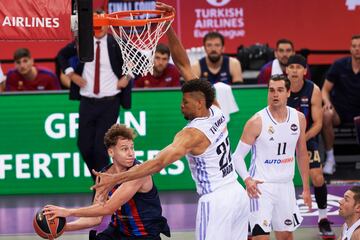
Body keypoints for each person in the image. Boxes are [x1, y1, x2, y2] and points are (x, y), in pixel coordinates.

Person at [91, 4, 250, 240]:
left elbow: (156, 164)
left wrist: (117, 178)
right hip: (237, 193)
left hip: (216, 201)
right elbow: (184, 64)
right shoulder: (215, 108)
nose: (181, 106)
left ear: (198, 104)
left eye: (185, 102)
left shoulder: (192, 134)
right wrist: (168, 27)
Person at [43, 124, 170, 240]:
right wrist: (61, 228)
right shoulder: (104, 176)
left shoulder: (138, 173)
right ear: (111, 152)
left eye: (132, 148)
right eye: (125, 149)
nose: (131, 153)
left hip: (144, 235)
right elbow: (95, 218)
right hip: (118, 233)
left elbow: (109, 208)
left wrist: (69, 212)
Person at [232, 74, 312, 240]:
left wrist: (305, 188)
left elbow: (302, 153)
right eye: (271, 90)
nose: (275, 94)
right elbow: (237, 156)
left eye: (280, 90)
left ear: (288, 92)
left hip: (286, 186)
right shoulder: (256, 121)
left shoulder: (299, 118)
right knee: (260, 237)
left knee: (286, 237)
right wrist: (247, 179)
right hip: (261, 187)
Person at [57, 9, 132, 181]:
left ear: (107, 25)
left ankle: (103, 186)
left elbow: (134, 59)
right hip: (87, 101)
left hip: (110, 102)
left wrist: (127, 77)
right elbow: (62, 55)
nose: (99, 29)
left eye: (101, 25)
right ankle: (100, 181)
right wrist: (71, 74)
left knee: (100, 148)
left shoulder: (117, 43)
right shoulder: (82, 42)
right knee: (83, 145)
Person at [286, 54, 335, 238]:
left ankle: (323, 219)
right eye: (292, 67)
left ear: (305, 71)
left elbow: (318, 124)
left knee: (318, 178)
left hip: (307, 139)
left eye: (299, 67)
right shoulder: (280, 88)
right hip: (283, 141)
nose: (295, 70)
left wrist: (302, 140)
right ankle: (256, 219)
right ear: (287, 70)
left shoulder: (312, 89)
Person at [321, 34, 360, 175]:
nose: (357, 49)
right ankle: (330, 158)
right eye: (354, 46)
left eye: (359, 46)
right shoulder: (339, 65)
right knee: (325, 114)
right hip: (340, 112)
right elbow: (324, 90)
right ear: (350, 49)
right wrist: (327, 103)